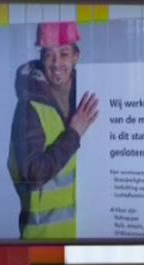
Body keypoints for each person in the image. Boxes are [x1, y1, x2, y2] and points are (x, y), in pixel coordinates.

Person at [7, 21, 99, 240]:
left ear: (76, 56)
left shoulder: (89, 92)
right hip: (44, 238)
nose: (56, 63)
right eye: (49, 55)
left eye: (64, 54)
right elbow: (33, 172)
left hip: (89, 233)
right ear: (41, 58)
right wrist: (73, 133)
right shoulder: (29, 107)